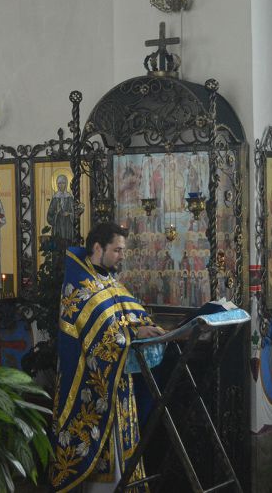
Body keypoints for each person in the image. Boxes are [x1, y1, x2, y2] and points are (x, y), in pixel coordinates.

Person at [50, 222, 164, 492]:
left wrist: (143, 326)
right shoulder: (79, 284)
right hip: (90, 385)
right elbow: (100, 333)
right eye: (117, 250)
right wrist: (133, 333)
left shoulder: (109, 280)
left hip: (119, 381)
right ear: (98, 248)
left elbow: (127, 313)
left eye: (123, 250)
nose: (122, 256)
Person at [47, 174, 75, 242]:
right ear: (57, 184)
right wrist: (57, 213)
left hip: (68, 226)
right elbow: (49, 215)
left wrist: (69, 214)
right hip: (58, 226)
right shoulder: (55, 198)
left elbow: (75, 212)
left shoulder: (69, 197)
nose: (61, 185)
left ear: (66, 184)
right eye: (59, 183)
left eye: (63, 183)